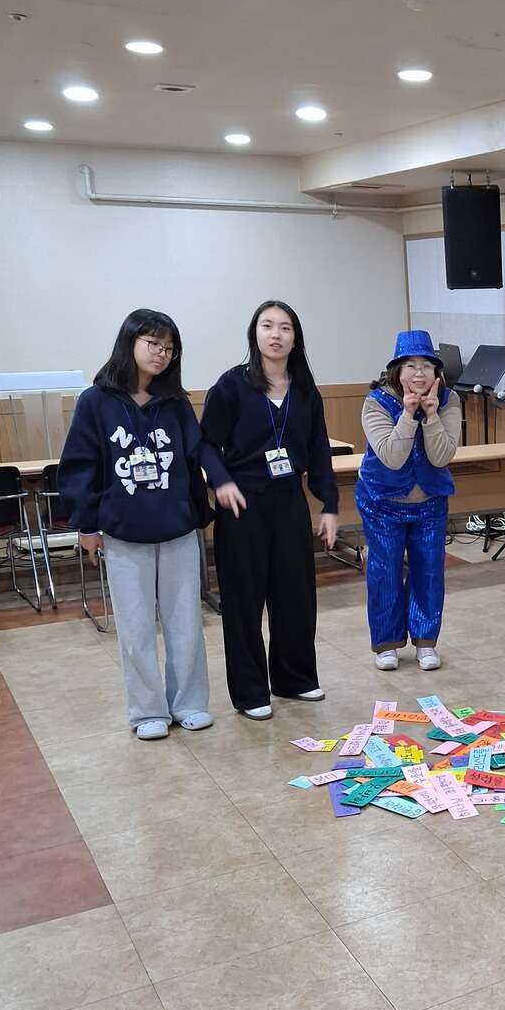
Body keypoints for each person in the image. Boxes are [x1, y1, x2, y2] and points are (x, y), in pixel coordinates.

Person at [59, 309, 212, 740]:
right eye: (153, 344)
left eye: (169, 348)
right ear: (130, 343)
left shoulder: (176, 403)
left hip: (178, 529)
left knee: (185, 622)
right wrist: (87, 525)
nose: (161, 353)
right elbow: (80, 467)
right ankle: (147, 711)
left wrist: (204, 509)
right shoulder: (95, 401)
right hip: (123, 532)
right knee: (136, 626)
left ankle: (189, 703)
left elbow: (194, 458)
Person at [200, 299, 338, 718]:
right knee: (244, 599)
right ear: (254, 333)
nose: (275, 334)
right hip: (242, 503)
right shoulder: (232, 385)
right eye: (267, 326)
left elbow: (319, 451)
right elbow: (206, 444)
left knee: (296, 593)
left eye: (285, 328)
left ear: (296, 339)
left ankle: (295, 679)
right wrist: (221, 481)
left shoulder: (305, 390)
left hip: (289, 501)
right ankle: (250, 692)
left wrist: (329, 505)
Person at [357, 330, 461, 671]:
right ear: (397, 371)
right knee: (384, 571)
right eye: (411, 366)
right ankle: (386, 643)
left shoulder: (449, 400)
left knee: (429, 571)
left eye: (427, 366)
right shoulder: (376, 401)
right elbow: (392, 457)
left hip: (429, 502)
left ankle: (426, 642)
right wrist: (407, 414)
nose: (419, 373)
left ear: (436, 372)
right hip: (381, 501)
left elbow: (442, 456)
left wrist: (430, 416)